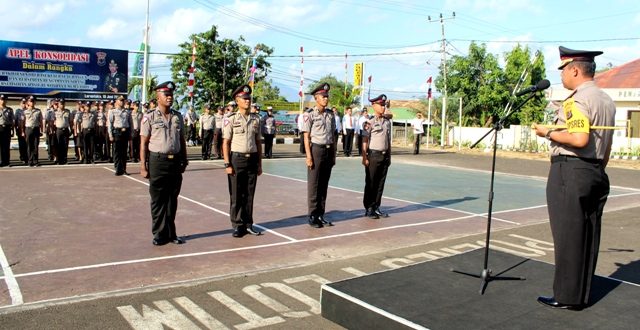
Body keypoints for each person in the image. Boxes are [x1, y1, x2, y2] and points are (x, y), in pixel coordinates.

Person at [532, 46, 615, 311]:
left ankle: (567, 296)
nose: (562, 76)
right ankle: (581, 292)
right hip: (595, 171)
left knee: (568, 235)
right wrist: (596, 167)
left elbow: (579, 139)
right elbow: (606, 144)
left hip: (570, 171)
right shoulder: (605, 100)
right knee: (588, 235)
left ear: (575, 70)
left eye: (563, 70)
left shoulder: (576, 100)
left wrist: (547, 133)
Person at [140, 81, 188, 246]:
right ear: (157, 97)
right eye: (166, 95)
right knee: (158, 200)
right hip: (157, 161)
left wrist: (184, 159)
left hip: (174, 162)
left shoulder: (177, 116)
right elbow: (143, 143)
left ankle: (171, 233)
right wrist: (142, 165)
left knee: (172, 199)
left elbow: (181, 139)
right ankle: (159, 234)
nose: (169, 98)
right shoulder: (150, 116)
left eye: (171, 95)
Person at [222, 84, 263, 238]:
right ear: (237, 100)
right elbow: (225, 142)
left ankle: (248, 224)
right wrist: (227, 163)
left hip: (252, 159)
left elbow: (258, 143)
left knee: (250, 194)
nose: (248, 101)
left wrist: (260, 163)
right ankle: (237, 224)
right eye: (244, 99)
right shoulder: (230, 119)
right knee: (237, 194)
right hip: (237, 159)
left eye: (249, 98)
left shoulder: (255, 119)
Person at [302, 83, 336, 228]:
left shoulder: (330, 114)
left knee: (324, 184)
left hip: (328, 150)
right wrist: (308, 156)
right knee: (314, 184)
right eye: (323, 96)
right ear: (316, 98)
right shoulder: (309, 114)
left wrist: (334, 154)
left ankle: (321, 214)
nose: (326, 99)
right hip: (316, 150)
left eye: (327, 96)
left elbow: (333, 135)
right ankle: (312, 215)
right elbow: (306, 137)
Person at [361, 94, 394, 219]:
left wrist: (389, 156)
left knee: (380, 183)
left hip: (384, 155)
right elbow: (364, 140)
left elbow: (388, 140)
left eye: (384, 105)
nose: (383, 107)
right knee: (371, 182)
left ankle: (376, 206)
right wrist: (364, 157)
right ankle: (369, 207)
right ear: (373, 106)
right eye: (380, 105)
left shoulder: (386, 122)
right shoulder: (369, 122)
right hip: (373, 155)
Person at [109, 96, 132, 175]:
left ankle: (124, 169)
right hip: (117, 132)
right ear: (117, 101)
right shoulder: (112, 111)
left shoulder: (127, 112)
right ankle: (118, 169)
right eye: (120, 100)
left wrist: (130, 133)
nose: (122, 102)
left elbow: (130, 123)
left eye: (123, 100)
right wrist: (110, 135)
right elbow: (110, 124)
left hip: (125, 132)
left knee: (124, 152)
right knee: (117, 152)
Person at [22, 96, 43, 167]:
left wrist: (41, 130)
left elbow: (40, 121)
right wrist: (22, 131)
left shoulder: (38, 111)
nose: (32, 102)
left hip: (36, 129)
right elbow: (22, 122)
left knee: (35, 146)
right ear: (28, 102)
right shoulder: (24, 111)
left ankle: (36, 161)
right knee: (29, 146)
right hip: (28, 129)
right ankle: (30, 161)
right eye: (31, 101)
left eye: (33, 101)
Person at [53, 99, 71, 165]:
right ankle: (58, 159)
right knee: (58, 145)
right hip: (58, 130)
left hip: (65, 130)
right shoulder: (55, 112)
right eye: (61, 104)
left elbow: (70, 121)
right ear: (58, 104)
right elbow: (52, 122)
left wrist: (71, 129)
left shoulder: (67, 111)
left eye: (63, 103)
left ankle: (64, 159)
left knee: (65, 145)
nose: (62, 105)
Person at [0, 94, 14, 167]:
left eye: (4, 100)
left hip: (7, 128)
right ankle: (1, 161)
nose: (3, 101)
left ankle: (7, 161)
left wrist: (12, 130)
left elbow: (12, 120)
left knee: (6, 145)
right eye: (1, 99)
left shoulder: (9, 109)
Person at [14, 98, 28, 164]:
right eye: (23, 103)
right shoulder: (18, 111)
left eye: (25, 103)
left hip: (27, 129)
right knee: (21, 144)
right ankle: (22, 157)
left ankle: (27, 157)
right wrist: (16, 130)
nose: (24, 104)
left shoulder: (28, 110)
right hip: (20, 130)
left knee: (27, 144)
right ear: (20, 104)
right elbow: (15, 121)